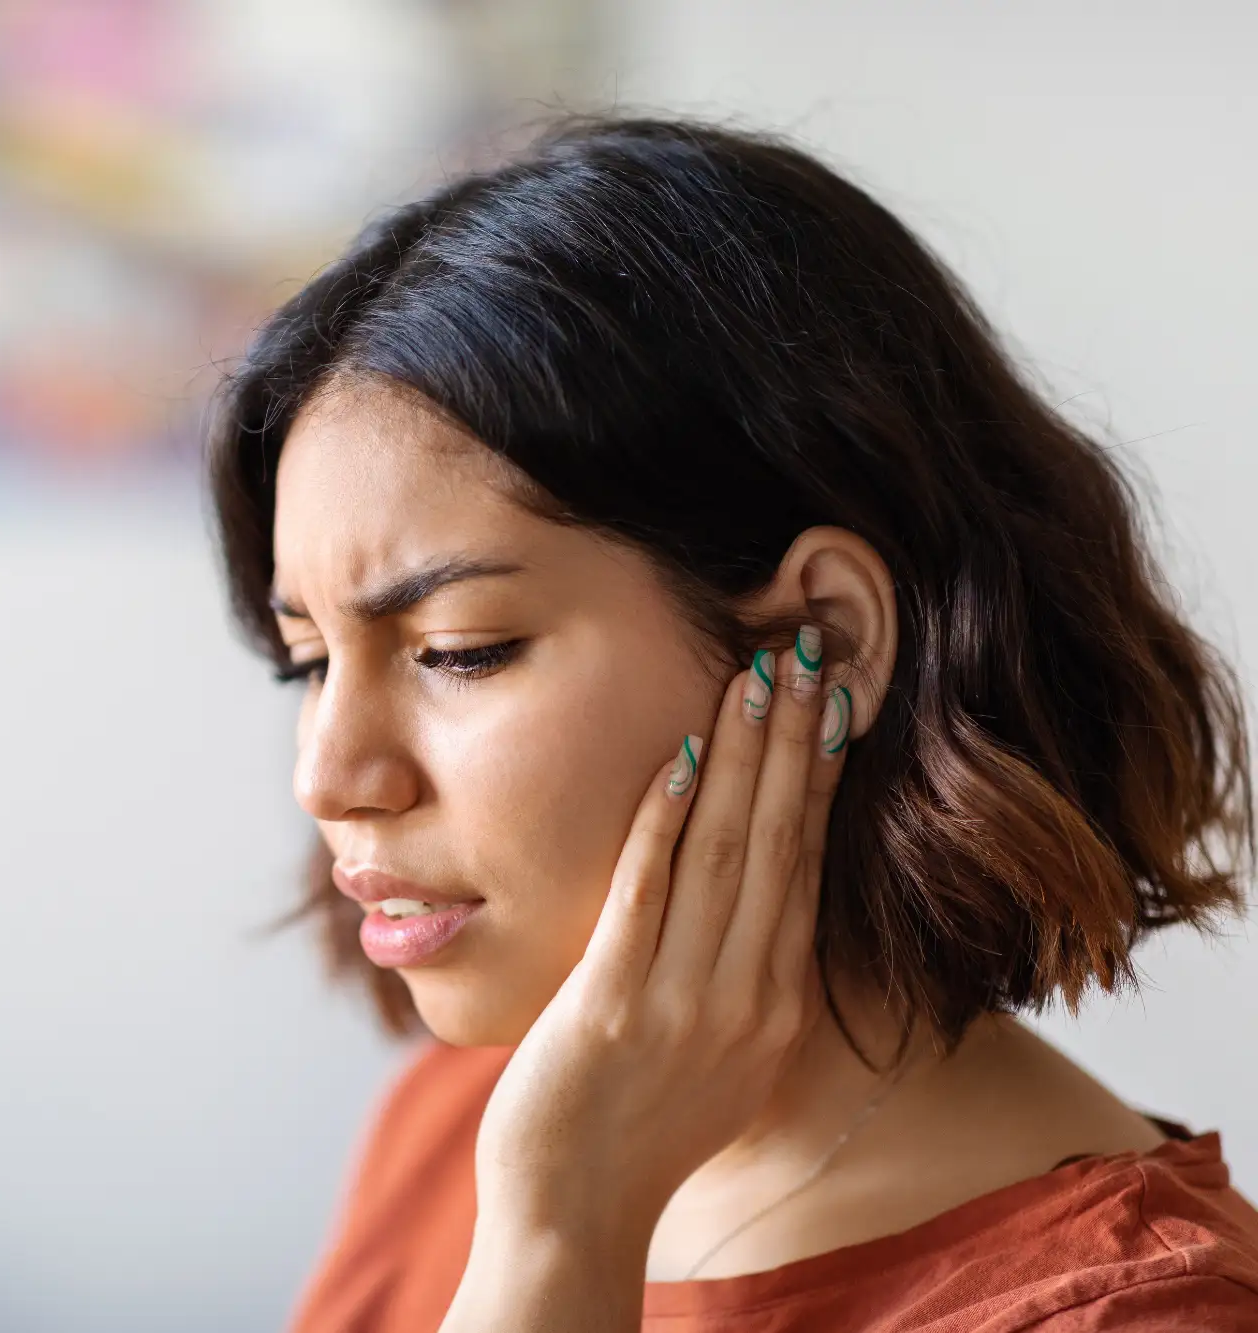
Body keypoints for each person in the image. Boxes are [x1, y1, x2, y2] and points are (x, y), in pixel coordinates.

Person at [204, 115, 1258, 1330]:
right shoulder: (487, 1123)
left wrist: (561, 1246)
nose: (330, 775)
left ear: (828, 641)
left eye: (458, 650)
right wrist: (552, 1206)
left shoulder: (1127, 1314)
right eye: (308, 663)